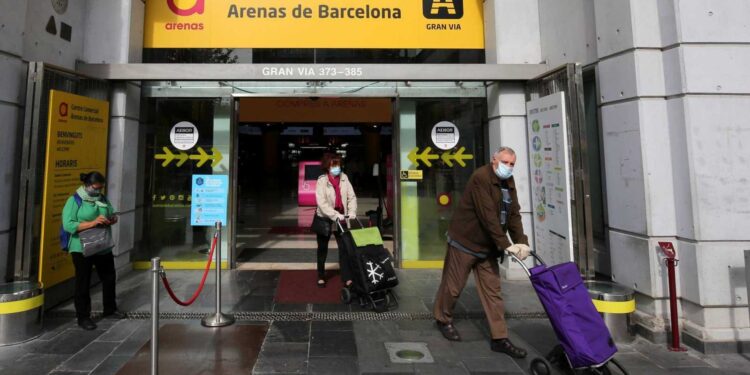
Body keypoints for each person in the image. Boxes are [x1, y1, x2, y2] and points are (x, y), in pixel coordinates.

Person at [433, 147, 532, 358]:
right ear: (494, 160)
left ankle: (500, 338)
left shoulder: (508, 182)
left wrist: (522, 242)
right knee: (453, 287)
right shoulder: (480, 177)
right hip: (465, 241)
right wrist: (506, 245)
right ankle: (442, 318)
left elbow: (513, 213)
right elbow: (488, 216)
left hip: (488, 247)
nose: (509, 167)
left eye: (512, 163)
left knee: (493, 292)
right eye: (505, 162)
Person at [61, 171, 125, 330]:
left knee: (109, 277)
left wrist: (111, 219)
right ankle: (83, 316)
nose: (98, 191)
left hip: (102, 245)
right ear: (87, 185)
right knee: (83, 281)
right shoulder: (74, 200)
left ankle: (110, 309)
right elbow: (68, 225)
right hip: (81, 247)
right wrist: (93, 222)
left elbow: (110, 211)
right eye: (96, 188)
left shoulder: (102, 198)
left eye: (100, 188)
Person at [314, 153, 357, 288]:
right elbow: (321, 203)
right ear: (327, 167)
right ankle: (321, 275)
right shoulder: (321, 181)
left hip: (342, 218)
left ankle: (347, 277)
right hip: (325, 218)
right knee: (322, 248)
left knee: (345, 248)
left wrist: (352, 212)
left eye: (338, 165)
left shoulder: (344, 178)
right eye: (334, 165)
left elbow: (352, 197)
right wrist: (334, 215)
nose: (336, 168)